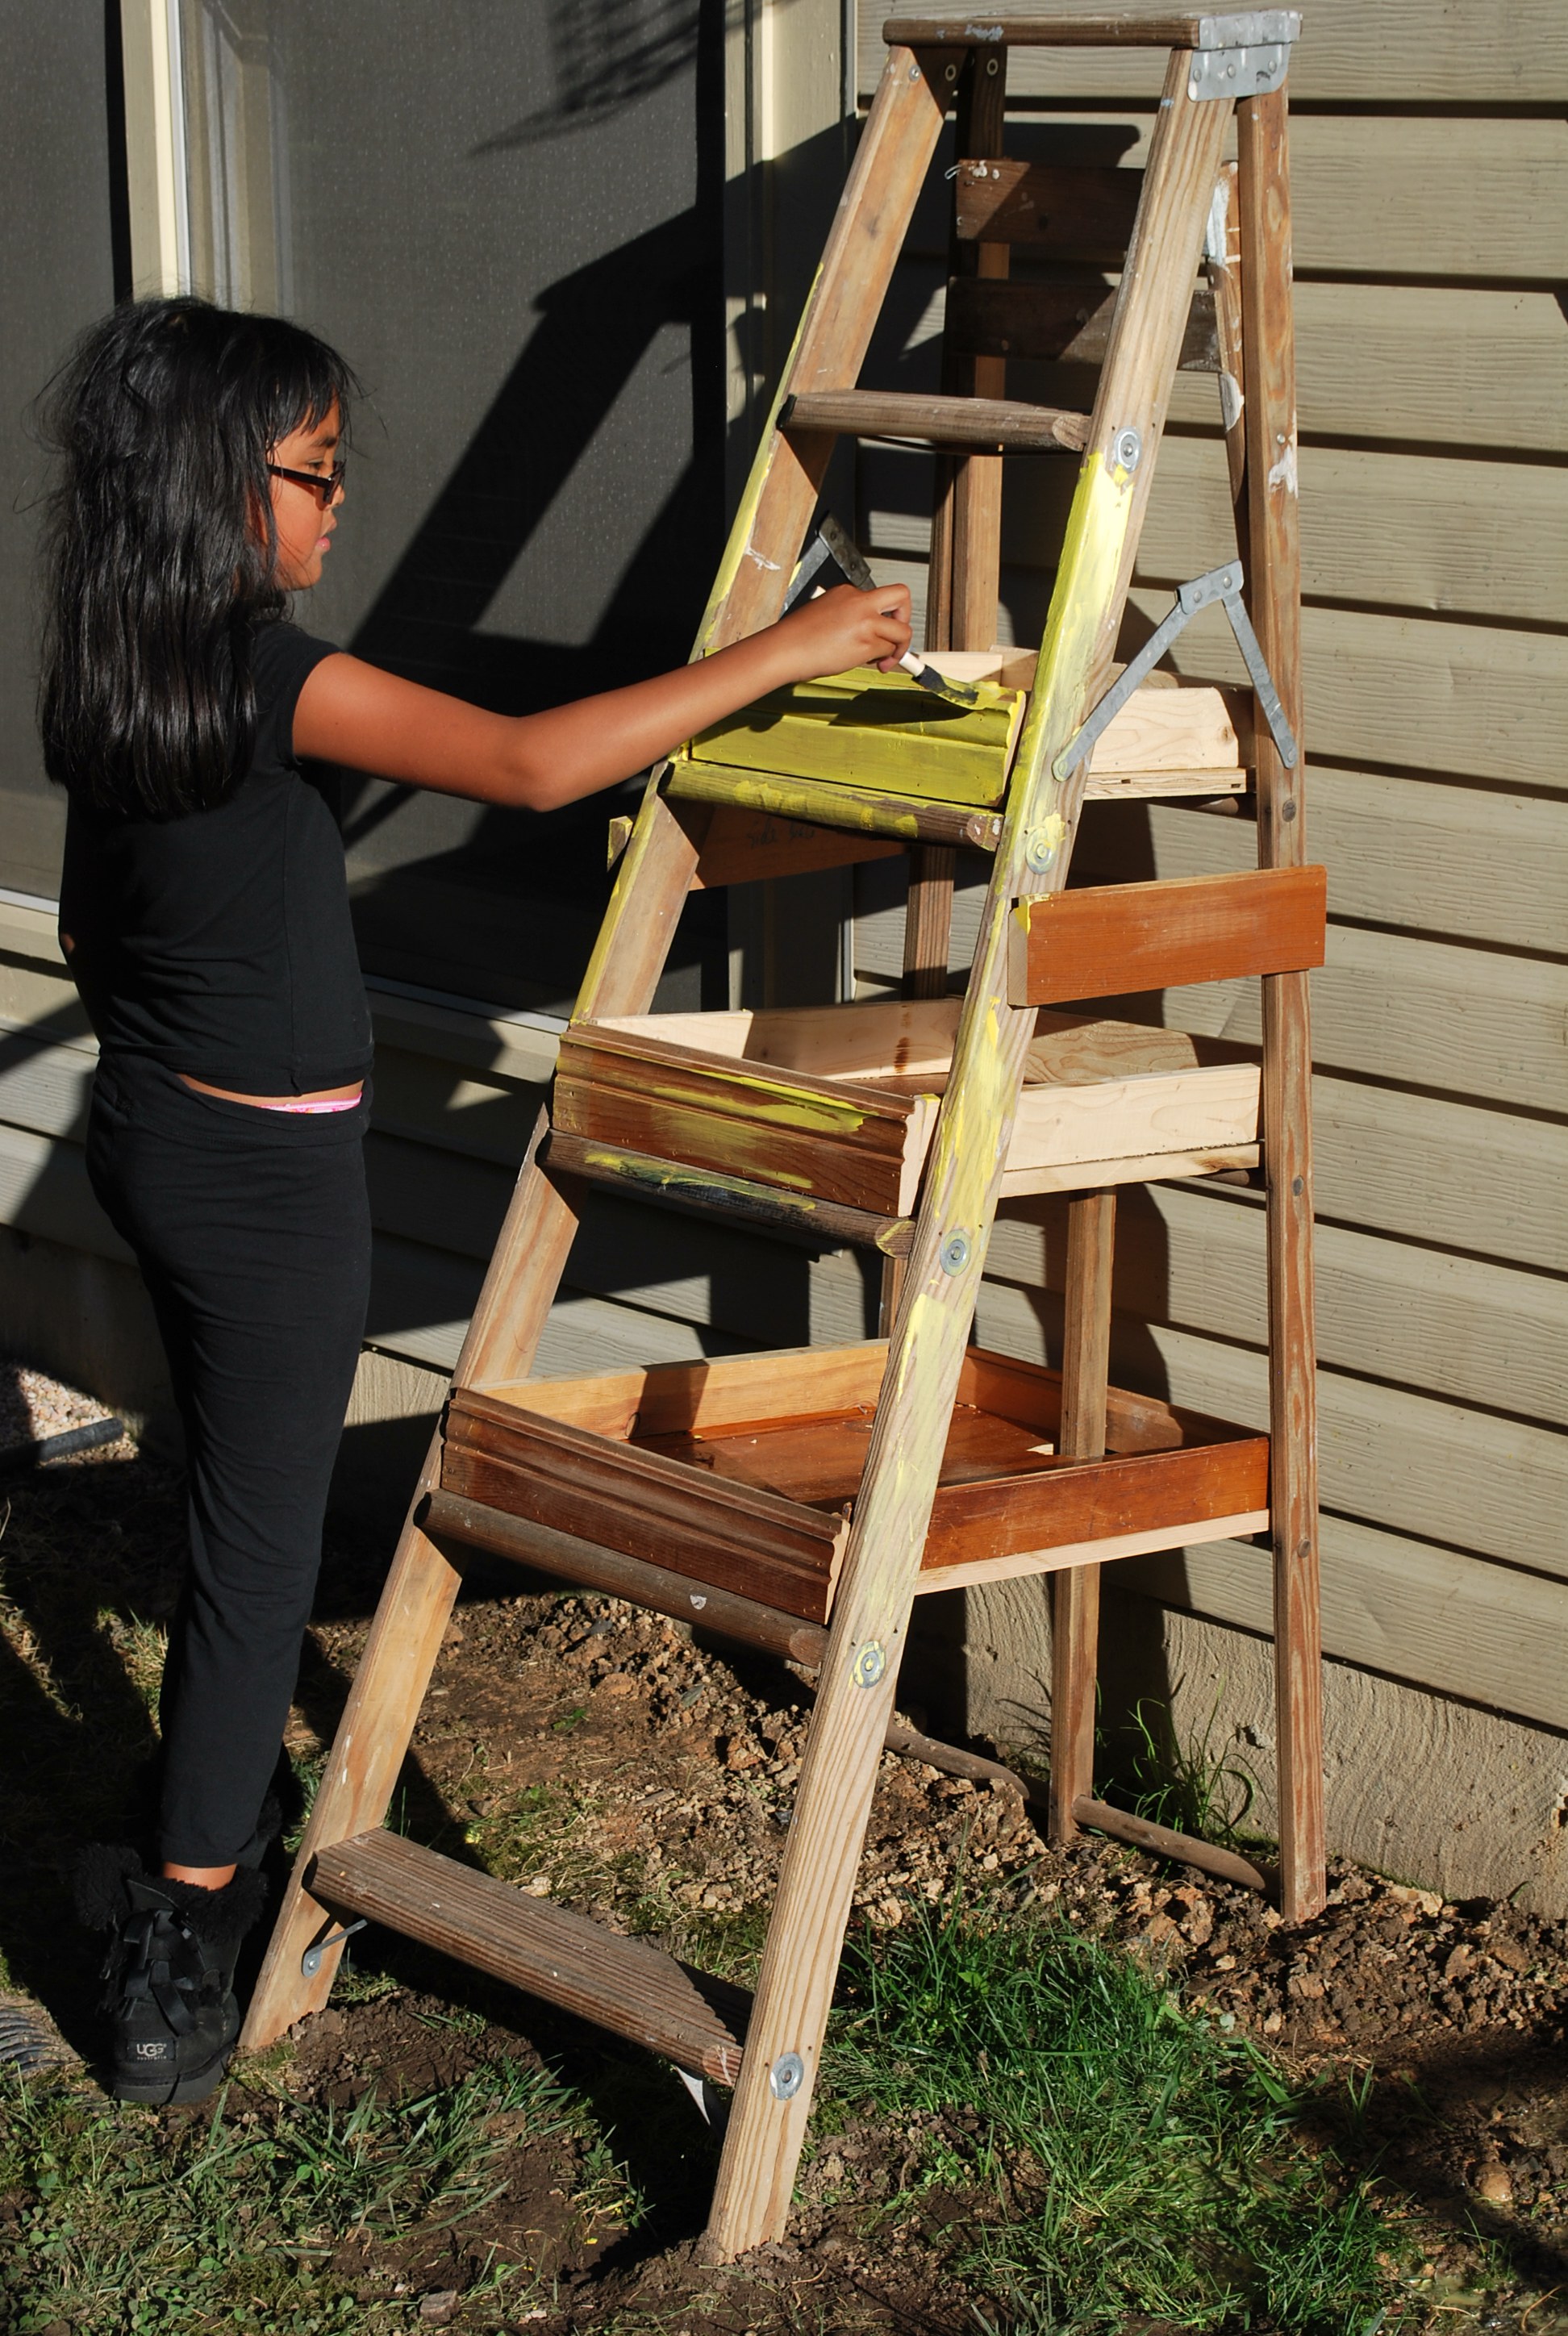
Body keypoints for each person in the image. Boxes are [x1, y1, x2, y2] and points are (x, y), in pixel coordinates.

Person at [42, 296, 911, 2105]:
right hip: (270, 1185)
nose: (341, 499)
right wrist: (794, 645)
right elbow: (534, 764)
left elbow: (112, 922)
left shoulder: (122, 671)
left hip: (154, 1129)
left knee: (229, 1497)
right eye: (315, 472)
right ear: (218, 486)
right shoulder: (271, 678)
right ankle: (182, 1934)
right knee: (263, 1552)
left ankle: (193, 1801)